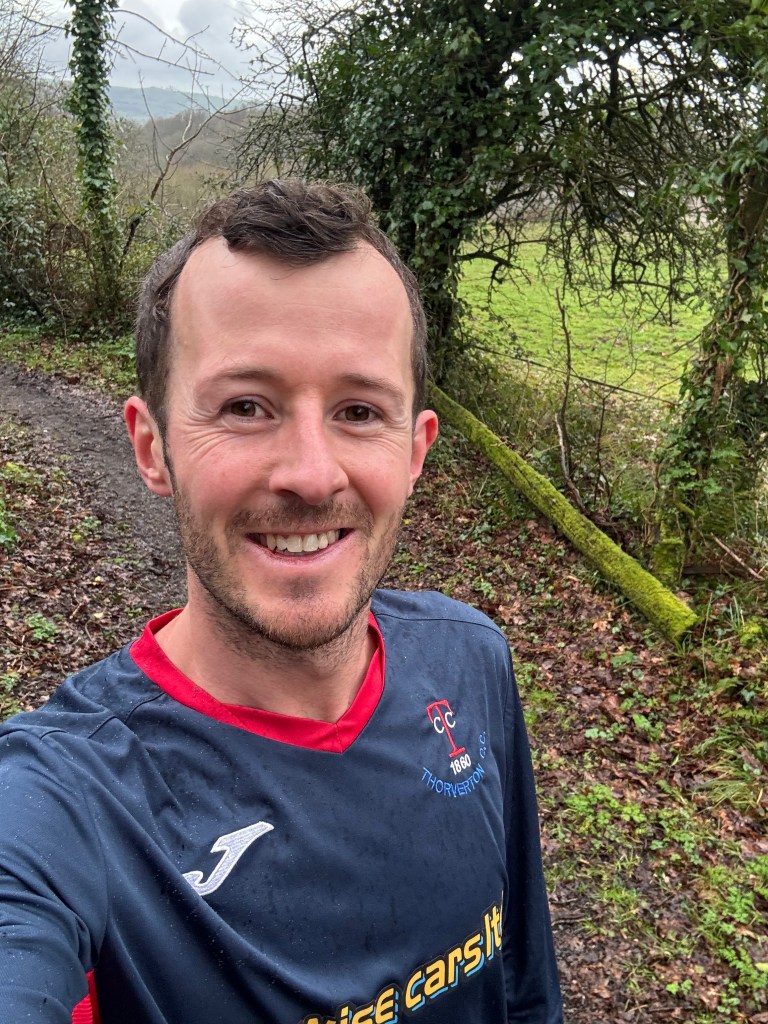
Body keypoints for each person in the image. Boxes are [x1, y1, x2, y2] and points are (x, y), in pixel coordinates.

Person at [0, 180, 562, 1024]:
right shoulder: (66, 801)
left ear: (415, 451)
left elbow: (522, 983)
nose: (310, 473)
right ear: (152, 447)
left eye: (359, 410)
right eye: (245, 407)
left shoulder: (470, 659)